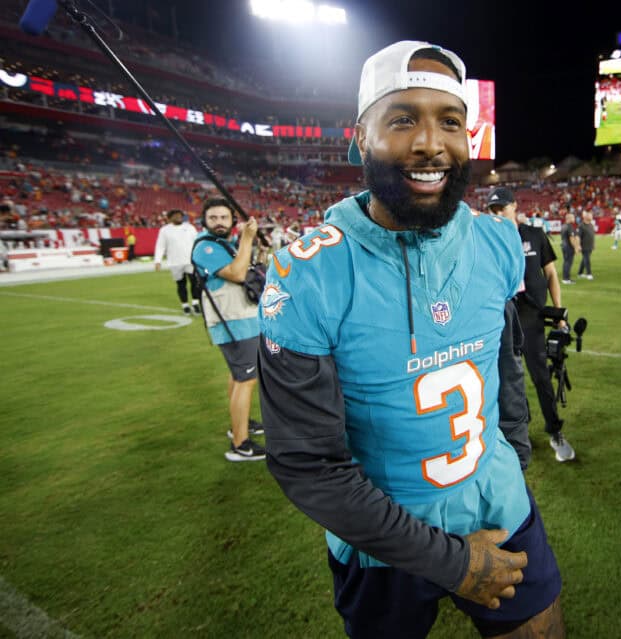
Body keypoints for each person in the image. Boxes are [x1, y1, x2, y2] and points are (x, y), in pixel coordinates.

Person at [257, 41, 565, 639]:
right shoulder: (310, 273)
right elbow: (308, 465)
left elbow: (502, 362)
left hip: (499, 504)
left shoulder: (498, 242)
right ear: (362, 137)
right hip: (381, 545)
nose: (431, 143)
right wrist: (454, 563)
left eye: (450, 121)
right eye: (403, 119)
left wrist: (515, 459)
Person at [487, 187, 577, 463]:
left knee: (541, 378)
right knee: (506, 380)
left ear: (514, 205)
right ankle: (518, 429)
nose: (499, 212)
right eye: (494, 209)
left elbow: (551, 274)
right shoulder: (489, 239)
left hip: (532, 317)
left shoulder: (534, 235)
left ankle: (555, 432)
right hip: (502, 317)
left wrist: (558, 312)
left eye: (503, 206)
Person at [191, 198, 265, 462]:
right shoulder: (205, 247)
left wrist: (253, 247)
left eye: (224, 217)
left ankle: (239, 424)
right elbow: (237, 274)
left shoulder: (223, 244)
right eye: (213, 218)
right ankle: (241, 444)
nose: (219, 222)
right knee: (246, 379)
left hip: (241, 318)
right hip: (232, 321)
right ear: (204, 220)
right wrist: (246, 238)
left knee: (238, 376)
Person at [154, 208, 200, 315]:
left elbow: (197, 242)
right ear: (169, 218)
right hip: (175, 262)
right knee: (181, 284)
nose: (178, 217)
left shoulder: (190, 228)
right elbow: (160, 246)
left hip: (190, 261)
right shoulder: (164, 230)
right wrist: (158, 261)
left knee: (195, 282)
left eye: (180, 215)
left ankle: (195, 303)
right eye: (175, 215)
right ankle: (185, 305)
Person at [560, 211, 580, 284]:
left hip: (564, 246)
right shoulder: (569, 226)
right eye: (573, 217)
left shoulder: (564, 226)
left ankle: (566, 278)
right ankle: (566, 279)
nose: (574, 218)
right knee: (568, 262)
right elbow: (571, 238)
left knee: (566, 262)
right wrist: (575, 248)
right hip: (568, 247)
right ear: (569, 218)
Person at [577, 211, 595, 280]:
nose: (592, 217)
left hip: (590, 245)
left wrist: (593, 244)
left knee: (584, 259)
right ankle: (589, 274)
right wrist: (578, 245)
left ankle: (580, 273)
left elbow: (592, 235)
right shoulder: (581, 226)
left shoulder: (591, 224)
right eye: (590, 216)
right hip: (584, 246)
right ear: (586, 217)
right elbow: (578, 237)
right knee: (587, 260)